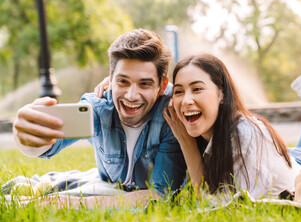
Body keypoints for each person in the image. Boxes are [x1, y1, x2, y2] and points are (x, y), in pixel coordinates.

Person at [12, 29, 186, 208]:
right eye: (123, 81)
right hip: (109, 186)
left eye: (145, 84)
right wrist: (25, 137)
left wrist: (73, 203)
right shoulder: (97, 108)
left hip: (115, 192)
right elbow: (46, 147)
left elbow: (160, 195)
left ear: (162, 85)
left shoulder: (172, 115)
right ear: (110, 79)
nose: (132, 95)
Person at [162, 54, 301, 199]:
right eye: (178, 91)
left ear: (222, 94)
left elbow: (215, 205)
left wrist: (186, 143)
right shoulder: (203, 135)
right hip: (289, 158)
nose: (185, 100)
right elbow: (205, 190)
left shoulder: (243, 134)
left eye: (197, 89)